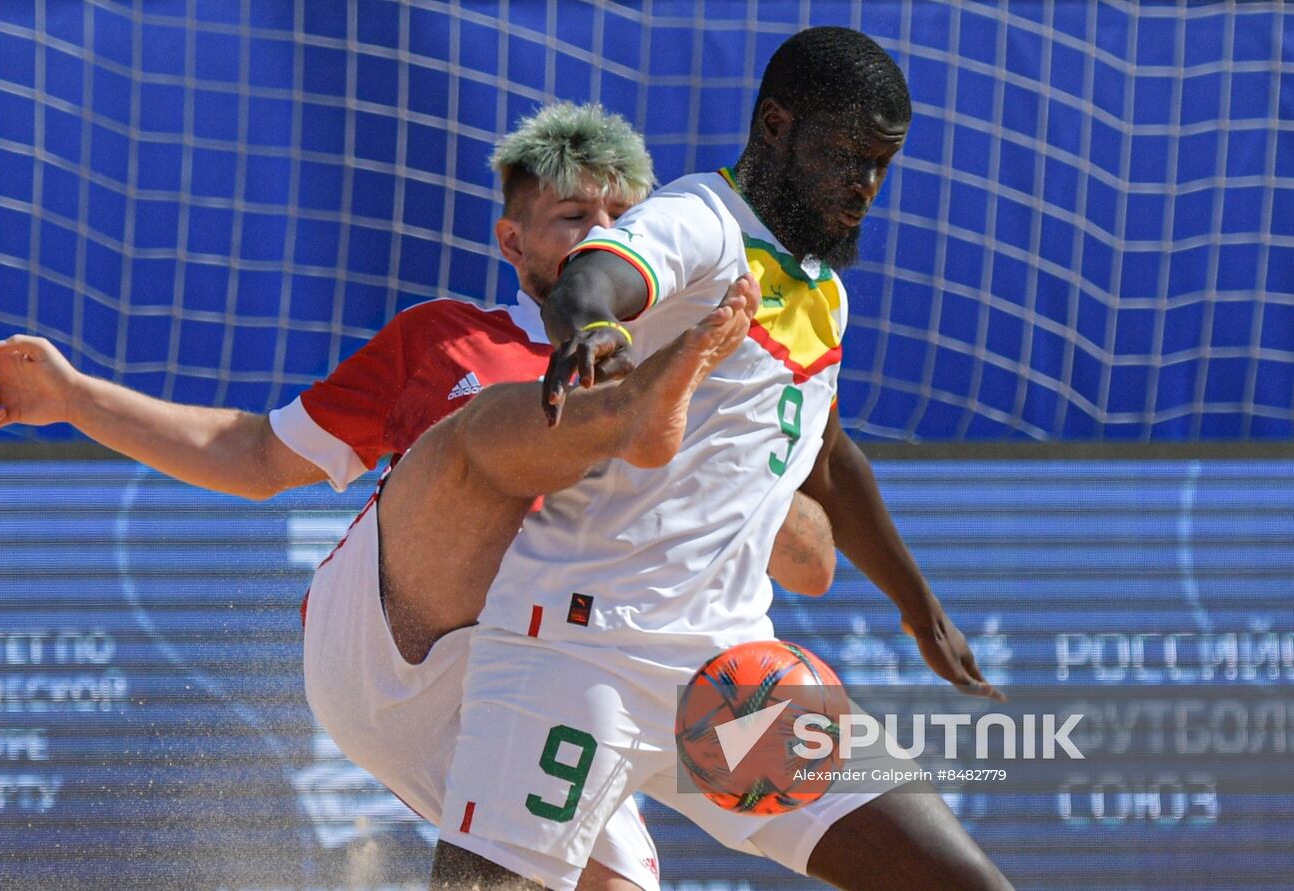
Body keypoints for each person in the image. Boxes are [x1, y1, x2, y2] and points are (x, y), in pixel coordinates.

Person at [0, 102, 837, 890]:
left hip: (539, 677)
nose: (604, 234)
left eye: (622, 217)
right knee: (488, 442)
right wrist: (75, 398)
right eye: (574, 217)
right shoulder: (449, 339)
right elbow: (255, 455)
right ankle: (594, 426)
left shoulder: (708, 381)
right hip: (387, 639)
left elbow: (811, 566)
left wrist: (745, 482)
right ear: (513, 243)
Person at [430, 28, 1013, 891]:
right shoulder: (700, 220)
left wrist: (919, 608)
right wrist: (593, 326)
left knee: (962, 883)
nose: (864, 185)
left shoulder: (824, 293)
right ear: (776, 126)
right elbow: (592, 277)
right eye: (846, 156)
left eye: (880, 165)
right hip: (579, 652)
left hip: (731, 670)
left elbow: (829, 461)